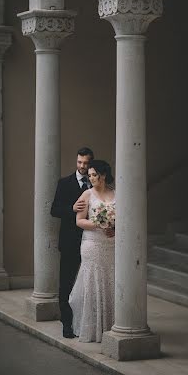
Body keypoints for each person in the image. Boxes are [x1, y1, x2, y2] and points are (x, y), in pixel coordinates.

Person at [69, 160, 115, 343]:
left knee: (111, 282)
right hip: (92, 244)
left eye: (94, 175)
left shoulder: (116, 193)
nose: (91, 178)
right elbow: (79, 221)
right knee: (93, 282)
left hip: (111, 244)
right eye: (89, 175)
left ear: (103, 175)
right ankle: (93, 328)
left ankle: (112, 326)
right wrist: (99, 223)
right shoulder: (86, 194)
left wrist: (114, 228)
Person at [50, 147, 94, 338]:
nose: (82, 166)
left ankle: (86, 323)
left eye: (85, 163)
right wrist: (72, 208)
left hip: (91, 242)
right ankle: (66, 323)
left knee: (88, 285)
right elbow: (54, 210)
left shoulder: (95, 184)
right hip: (69, 242)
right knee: (66, 285)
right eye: (79, 162)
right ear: (76, 162)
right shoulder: (64, 183)